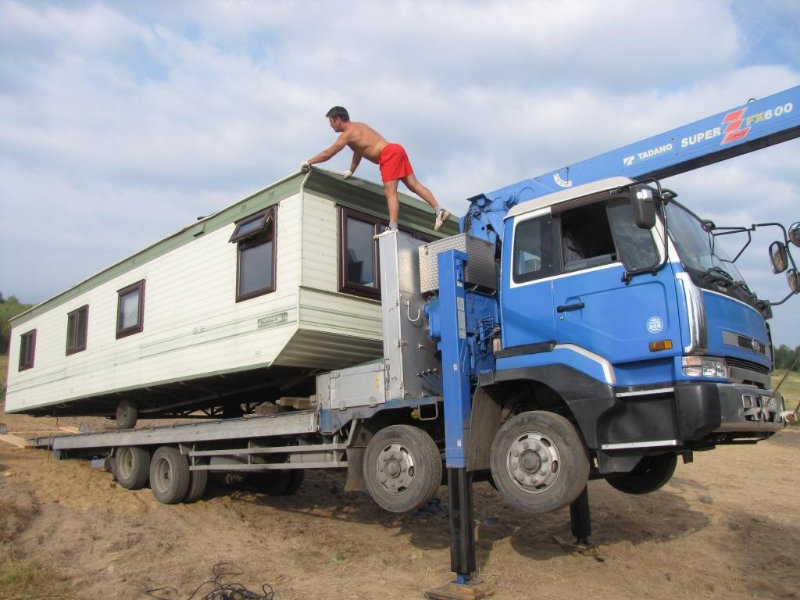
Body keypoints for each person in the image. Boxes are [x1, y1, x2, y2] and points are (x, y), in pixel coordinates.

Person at [302, 106, 451, 231]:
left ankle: (392, 227)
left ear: (338, 119)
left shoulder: (347, 135)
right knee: (414, 185)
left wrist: (309, 162)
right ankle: (439, 211)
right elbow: (358, 151)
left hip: (388, 155)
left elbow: (329, 153)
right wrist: (351, 170)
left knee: (389, 191)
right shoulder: (359, 126)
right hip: (396, 149)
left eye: (331, 121)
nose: (330, 125)